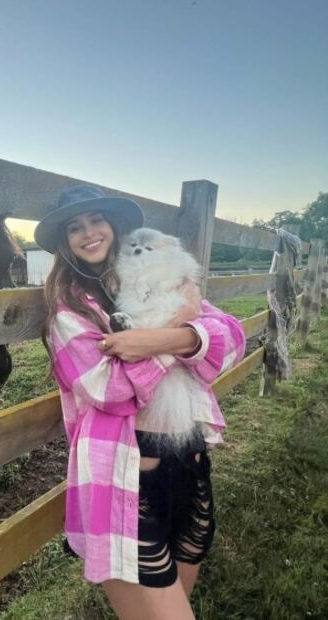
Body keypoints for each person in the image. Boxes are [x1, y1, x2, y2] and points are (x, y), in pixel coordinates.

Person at [35, 185, 246, 619]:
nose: (89, 233)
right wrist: (184, 335)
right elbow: (109, 390)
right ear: (65, 242)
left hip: (191, 463)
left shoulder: (156, 275)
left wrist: (159, 339)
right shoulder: (69, 313)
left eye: (96, 220)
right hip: (125, 479)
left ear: (113, 226)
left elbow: (233, 342)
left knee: (178, 601)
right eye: (75, 227)